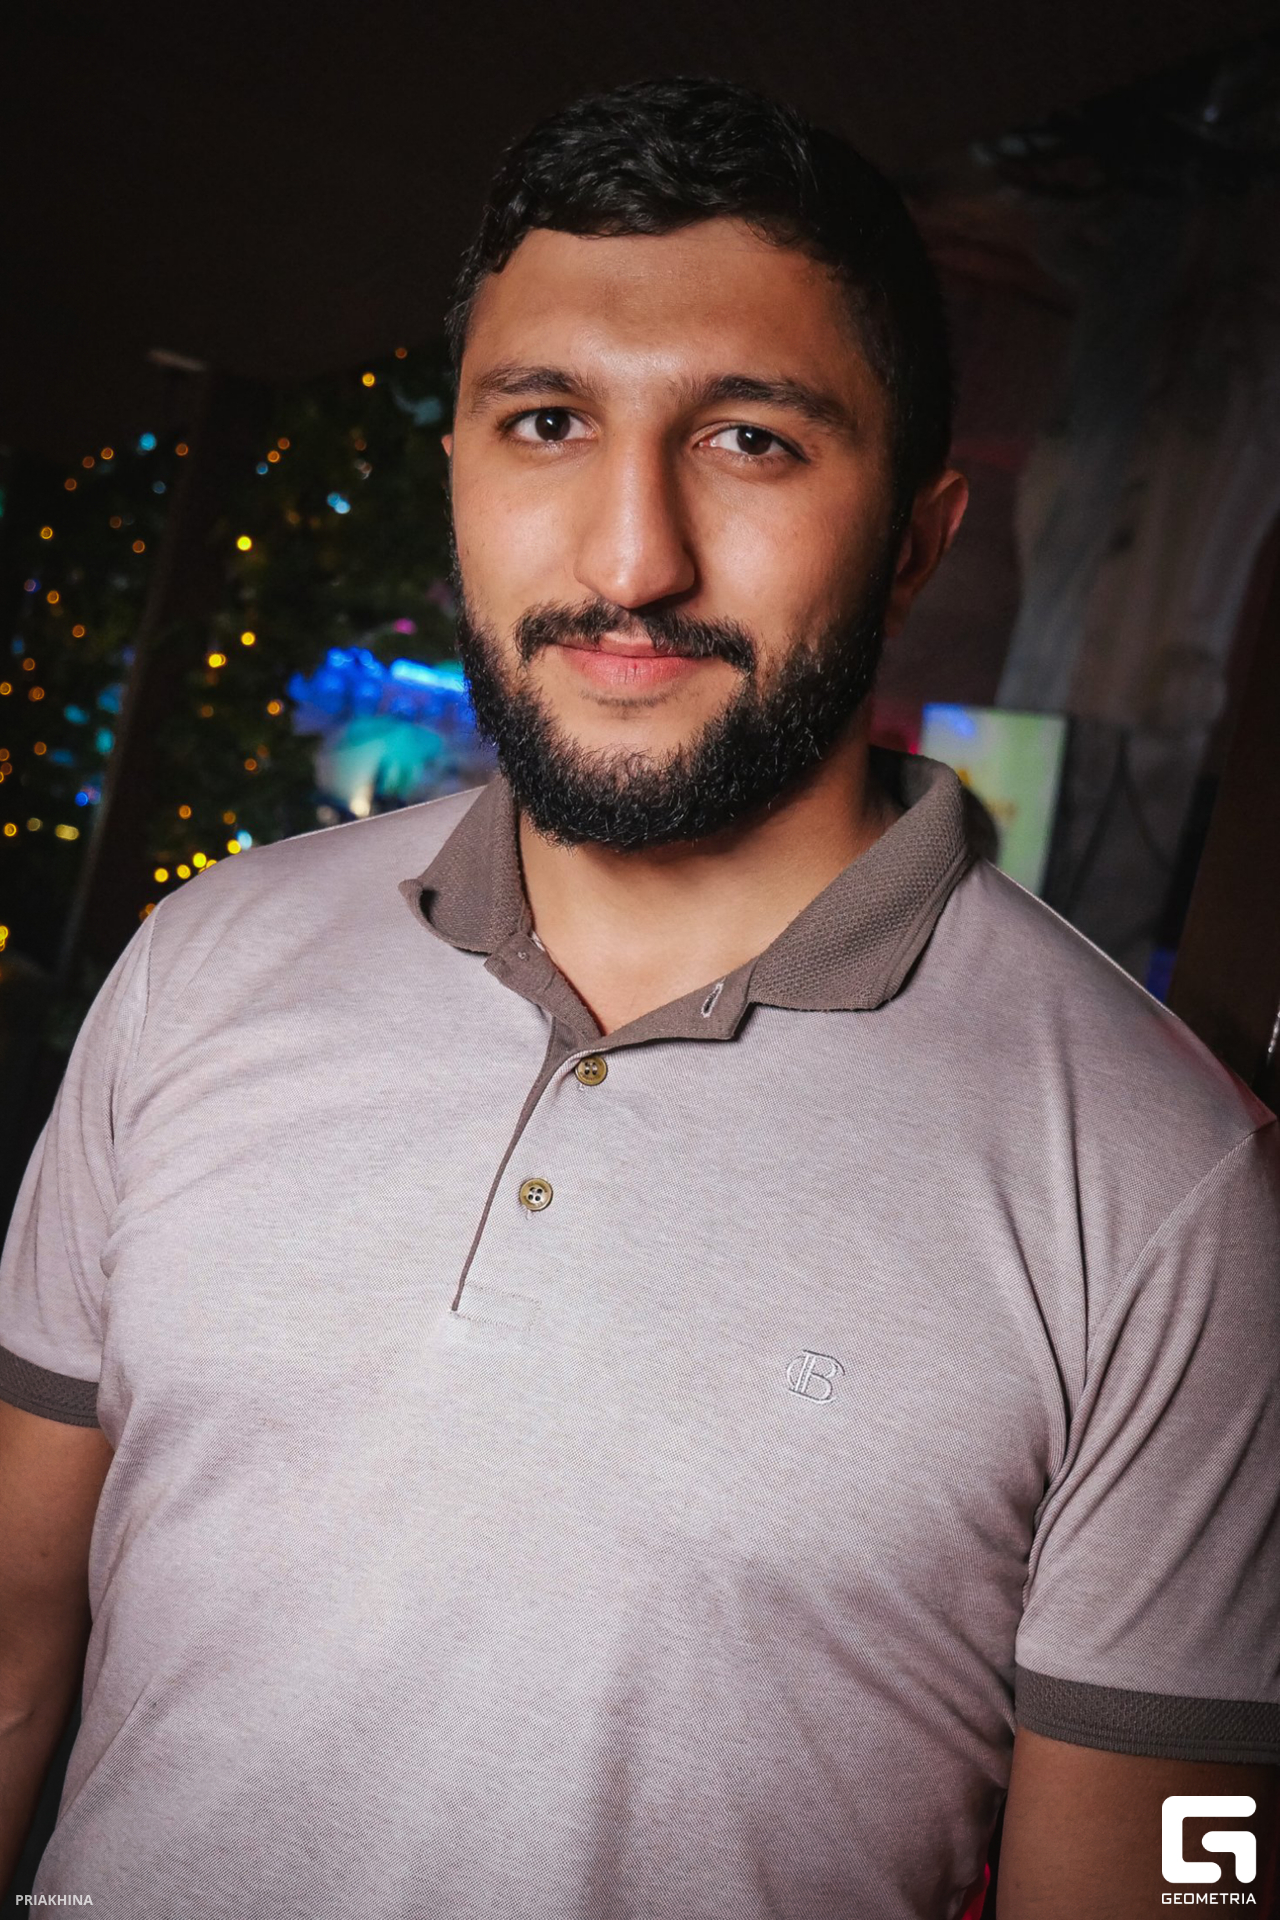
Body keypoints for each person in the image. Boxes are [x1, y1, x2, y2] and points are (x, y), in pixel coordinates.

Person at [1, 76, 1276, 1920]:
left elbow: (1184, 1877)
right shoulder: (201, 962)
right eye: (545, 422)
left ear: (916, 536)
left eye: (751, 441)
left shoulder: (1165, 1183)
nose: (627, 561)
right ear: (459, 468)